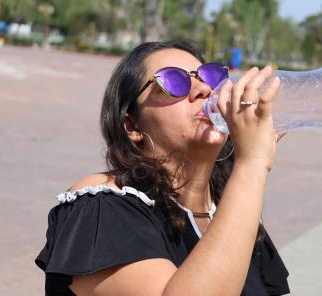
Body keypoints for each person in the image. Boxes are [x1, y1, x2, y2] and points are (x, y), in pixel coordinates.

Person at [35, 39, 290, 296]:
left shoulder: (231, 211)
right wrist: (252, 164)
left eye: (212, 78)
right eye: (174, 82)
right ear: (133, 126)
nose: (203, 90)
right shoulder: (101, 205)